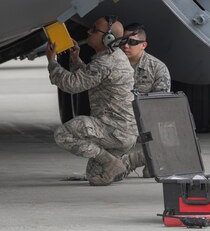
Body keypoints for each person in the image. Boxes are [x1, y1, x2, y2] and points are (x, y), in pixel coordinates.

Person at [46, 15, 138, 186]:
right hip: (123, 131)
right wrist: (75, 60)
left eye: (94, 29)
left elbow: (71, 85)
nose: (89, 31)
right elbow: (88, 78)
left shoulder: (105, 62)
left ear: (108, 38)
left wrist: (52, 62)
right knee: (94, 175)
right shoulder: (112, 57)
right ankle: (129, 161)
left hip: (113, 130)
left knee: (63, 134)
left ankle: (111, 162)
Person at [119, 23, 171, 178]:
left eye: (132, 42)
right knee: (107, 172)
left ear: (143, 45)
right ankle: (127, 161)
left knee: (153, 171)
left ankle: (139, 160)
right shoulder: (113, 64)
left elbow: (160, 105)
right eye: (123, 41)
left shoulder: (157, 68)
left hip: (144, 121)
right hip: (117, 120)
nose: (126, 46)